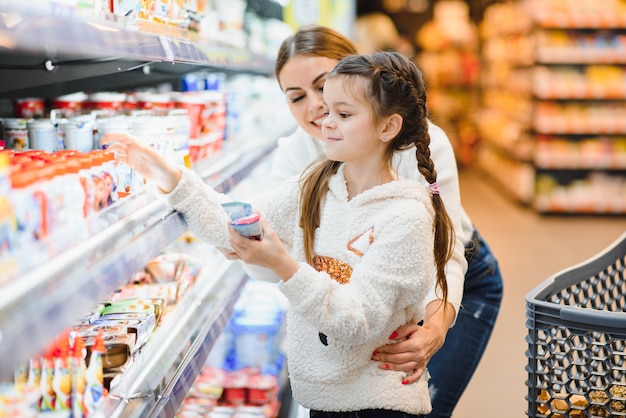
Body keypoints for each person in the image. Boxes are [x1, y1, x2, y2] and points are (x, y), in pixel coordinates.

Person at [103, 50, 455, 417]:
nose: (327, 122)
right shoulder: (318, 184)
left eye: (344, 114)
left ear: (388, 127)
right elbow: (236, 228)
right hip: (323, 399)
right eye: (329, 111)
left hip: (379, 403)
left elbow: (357, 323)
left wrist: (284, 265)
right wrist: (170, 177)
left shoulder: (406, 215)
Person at [271, 25, 503, 417]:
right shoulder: (296, 156)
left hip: (450, 284)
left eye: (323, 85)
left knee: (410, 404)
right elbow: (281, 252)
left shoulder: (419, 142)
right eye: (296, 97)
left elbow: (444, 253)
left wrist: (435, 328)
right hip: (366, 282)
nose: (315, 105)